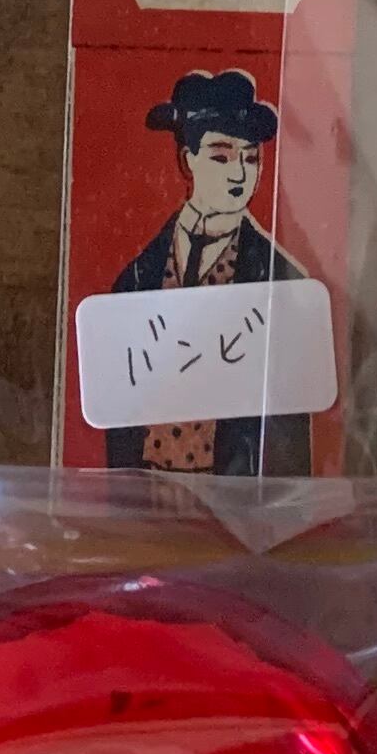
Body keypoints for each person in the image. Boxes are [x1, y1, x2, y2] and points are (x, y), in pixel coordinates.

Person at [102, 68, 315, 478]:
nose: (240, 174)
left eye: (251, 158)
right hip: (146, 488)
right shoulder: (136, 278)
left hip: (235, 492)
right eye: (221, 157)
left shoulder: (282, 280)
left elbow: (289, 429)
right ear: (188, 161)